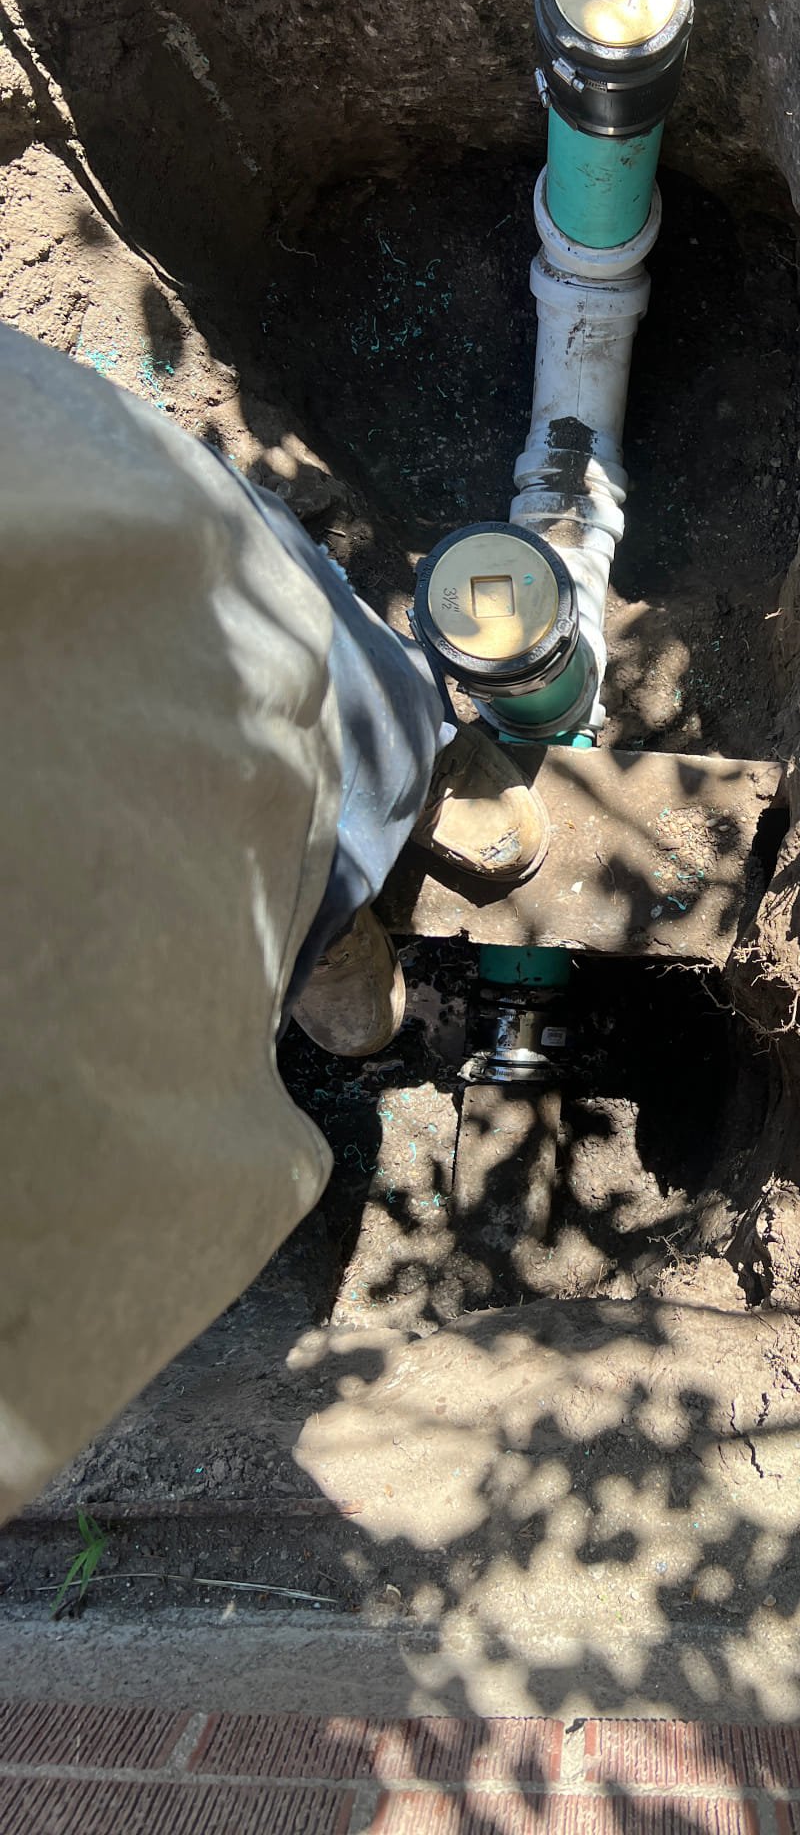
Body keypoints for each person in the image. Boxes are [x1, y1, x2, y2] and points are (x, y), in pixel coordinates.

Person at [0, 321, 547, 1521]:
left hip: (114, 588)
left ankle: (396, 828)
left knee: (312, 693)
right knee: (305, 807)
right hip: (98, 851)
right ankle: (370, 997)